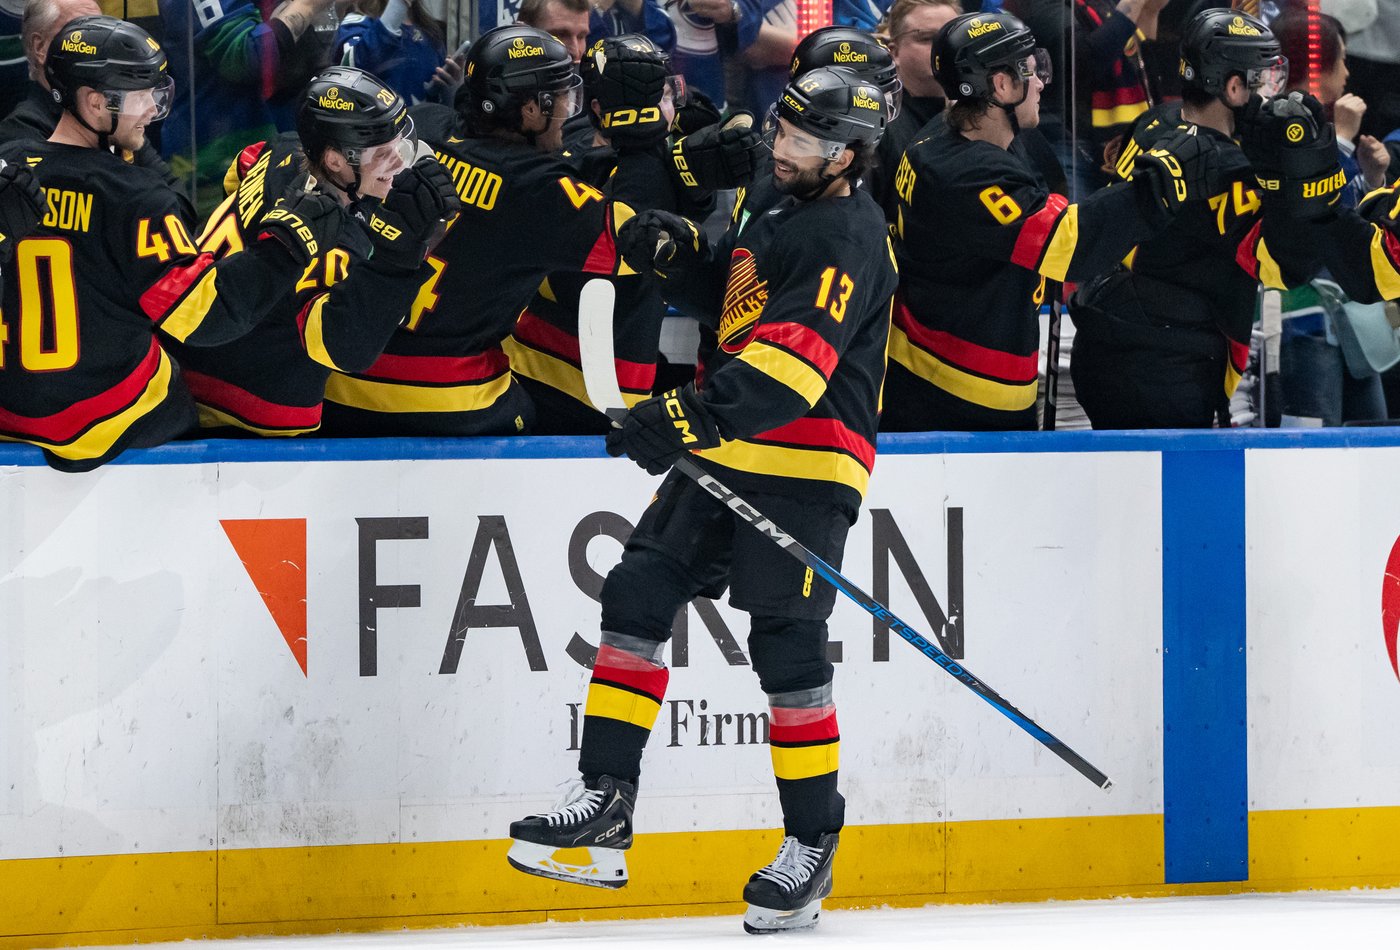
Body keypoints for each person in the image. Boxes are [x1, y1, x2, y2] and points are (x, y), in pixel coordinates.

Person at [506, 66, 897, 937]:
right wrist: (687, 254)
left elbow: (792, 373)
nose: (782, 149)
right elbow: (741, 295)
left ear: (850, 158)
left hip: (807, 458)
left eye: (804, 142)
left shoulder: (849, 234)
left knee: (786, 647)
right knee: (636, 592)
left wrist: (679, 415)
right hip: (730, 439)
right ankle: (605, 796)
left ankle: (810, 843)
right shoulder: (779, 193)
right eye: (782, 133)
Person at [0, 15, 341, 470]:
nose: (151, 110)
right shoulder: (136, 196)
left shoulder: (10, 166)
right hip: (109, 418)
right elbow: (202, 320)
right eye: (141, 96)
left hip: (11, 410)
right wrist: (287, 245)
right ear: (96, 102)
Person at [881, 10, 1212, 432]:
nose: (1040, 82)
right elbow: (1068, 247)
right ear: (1000, 84)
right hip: (957, 395)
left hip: (943, 372)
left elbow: (1048, 207)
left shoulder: (947, 134)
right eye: (1030, 71)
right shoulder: (967, 173)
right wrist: (1164, 178)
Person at [318, 25, 638, 436]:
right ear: (530, 110)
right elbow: (636, 250)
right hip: (447, 397)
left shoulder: (422, 123)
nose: (568, 109)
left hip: (341, 381)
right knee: (542, 399)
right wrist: (645, 151)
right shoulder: (544, 189)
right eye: (562, 97)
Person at [1069, 9, 1331, 429]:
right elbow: (1293, 264)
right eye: (1261, 78)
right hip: (1167, 360)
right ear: (1232, 86)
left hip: (1108, 334)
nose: (1270, 90)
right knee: (1167, 488)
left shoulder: (1154, 121)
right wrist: (1306, 175)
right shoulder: (1231, 170)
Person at [163, 66, 460, 436]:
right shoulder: (333, 244)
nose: (399, 161)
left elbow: (236, 176)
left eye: (398, 144)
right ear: (335, 160)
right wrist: (400, 255)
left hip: (182, 364)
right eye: (382, 153)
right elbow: (340, 348)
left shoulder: (279, 148)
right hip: (259, 407)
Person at [505, 34, 706, 433]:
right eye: (648, 98)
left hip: (596, 376)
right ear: (596, 107)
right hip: (558, 375)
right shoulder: (623, 165)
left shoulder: (653, 164)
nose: (663, 111)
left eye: (664, 95)